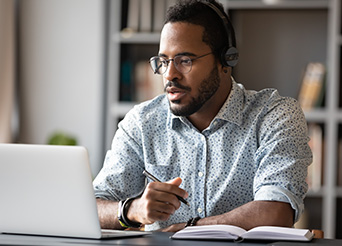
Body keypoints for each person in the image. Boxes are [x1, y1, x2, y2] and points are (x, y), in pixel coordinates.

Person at [93, 0, 312, 232]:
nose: (169, 75)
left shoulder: (275, 116)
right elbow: (92, 207)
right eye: (164, 62)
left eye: (185, 61)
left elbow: (275, 212)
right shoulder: (142, 123)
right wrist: (131, 210)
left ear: (226, 60)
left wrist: (190, 227)